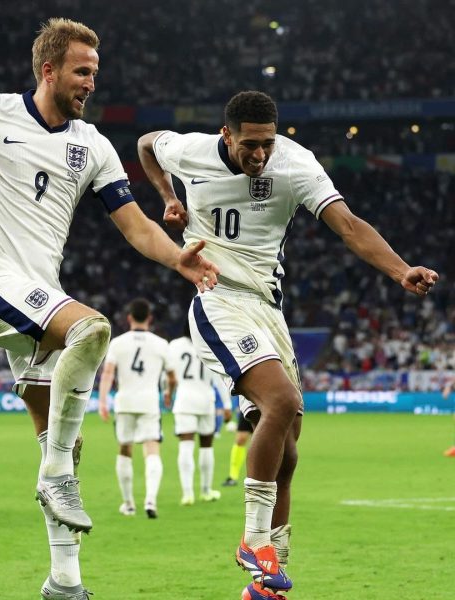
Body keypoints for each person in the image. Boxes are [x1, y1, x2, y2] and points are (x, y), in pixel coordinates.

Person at [0, 18, 219, 600]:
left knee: (59, 446)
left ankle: (65, 581)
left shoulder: (92, 145)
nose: (91, 82)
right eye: (81, 71)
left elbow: (135, 225)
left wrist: (179, 262)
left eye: (95, 72)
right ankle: (57, 476)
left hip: (35, 303)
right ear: (49, 70)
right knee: (91, 329)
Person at [137, 90, 438, 599]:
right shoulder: (188, 150)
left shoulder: (296, 164)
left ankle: (266, 582)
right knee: (282, 400)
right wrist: (168, 196)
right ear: (226, 135)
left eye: (268, 145)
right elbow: (146, 145)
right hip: (219, 297)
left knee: (290, 451)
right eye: (249, 145)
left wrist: (399, 269)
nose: (259, 155)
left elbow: (347, 225)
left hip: (268, 308)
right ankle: (254, 540)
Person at [98, 298, 174, 518]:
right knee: (152, 450)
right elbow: (171, 375)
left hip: (125, 402)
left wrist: (103, 401)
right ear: (149, 318)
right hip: (149, 402)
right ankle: (150, 500)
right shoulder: (161, 344)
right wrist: (168, 392)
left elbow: (108, 374)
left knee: (125, 449)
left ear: (129, 318)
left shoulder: (118, 343)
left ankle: (129, 503)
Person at [168, 321, 232, 505]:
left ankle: (187, 494)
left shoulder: (174, 345)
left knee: (186, 446)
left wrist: (167, 392)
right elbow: (220, 378)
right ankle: (206, 490)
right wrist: (227, 404)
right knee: (206, 446)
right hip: (206, 401)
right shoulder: (210, 344)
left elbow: (168, 372)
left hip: (184, 400)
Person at [223, 409, 253, 488]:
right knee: (240, 439)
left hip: (265, 406)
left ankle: (262, 476)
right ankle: (233, 476)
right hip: (247, 406)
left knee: (260, 441)